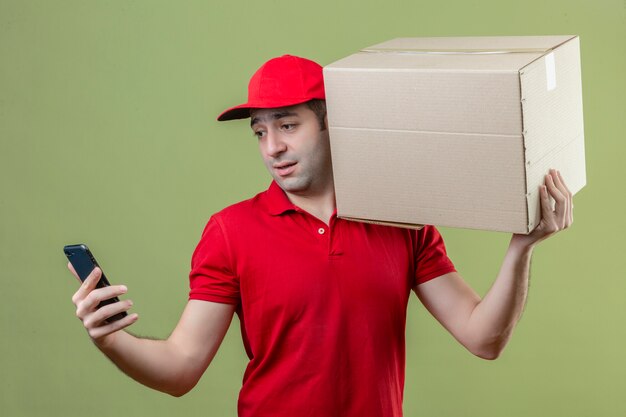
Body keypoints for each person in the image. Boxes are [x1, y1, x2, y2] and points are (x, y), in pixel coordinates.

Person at [69, 55, 574, 417]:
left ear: (331, 121)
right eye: (260, 132)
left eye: (287, 125)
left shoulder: (401, 220)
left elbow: (483, 338)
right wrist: (111, 339)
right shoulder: (230, 231)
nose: (272, 147)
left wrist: (521, 247)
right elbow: (180, 369)